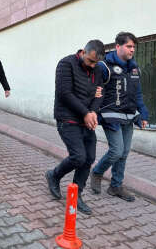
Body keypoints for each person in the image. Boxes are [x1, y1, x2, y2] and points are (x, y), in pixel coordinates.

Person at [45, 40, 105, 215]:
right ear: (83, 52)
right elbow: (65, 93)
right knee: (79, 156)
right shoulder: (66, 64)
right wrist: (86, 112)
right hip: (68, 118)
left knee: (89, 158)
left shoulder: (98, 69)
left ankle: (77, 195)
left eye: (96, 63)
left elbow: (100, 92)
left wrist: (93, 112)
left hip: (87, 119)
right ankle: (54, 175)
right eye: (90, 61)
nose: (93, 65)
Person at [90, 32, 149, 202]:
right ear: (118, 46)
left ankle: (115, 186)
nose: (132, 50)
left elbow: (138, 94)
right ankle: (97, 172)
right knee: (116, 150)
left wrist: (143, 114)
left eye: (133, 47)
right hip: (111, 116)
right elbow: (91, 86)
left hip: (129, 116)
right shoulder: (104, 66)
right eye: (129, 46)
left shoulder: (134, 68)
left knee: (124, 153)